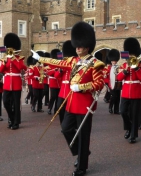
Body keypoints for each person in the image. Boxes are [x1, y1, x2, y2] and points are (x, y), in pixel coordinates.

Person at [32, 22, 104, 176]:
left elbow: (99, 84)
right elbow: (57, 62)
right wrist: (41, 59)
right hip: (71, 103)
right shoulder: (72, 61)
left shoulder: (96, 64)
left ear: (87, 46)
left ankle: (81, 167)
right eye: (76, 46)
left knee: (84, 136)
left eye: (80, 46)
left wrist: (82, 87)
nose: (77, 48)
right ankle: (81, 152)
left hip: (85, 105)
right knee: (66, 129)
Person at [116, 37, 141, 144]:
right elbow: (118, 78)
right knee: (123, 111)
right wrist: (125, 70)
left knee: (134, 114)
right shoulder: (124, 65)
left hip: (136, 92)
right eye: (130, 54)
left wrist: (136, 68)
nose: (131, 56)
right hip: (125, 92)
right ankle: (128, 128)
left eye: (133, 54)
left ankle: (133, 135)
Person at [0, 33, 27, 130]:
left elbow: (20, 68)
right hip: (7, 84)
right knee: (6, 102)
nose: (10, 50)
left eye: (12, 48)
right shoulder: (4, 59)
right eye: (9, 48)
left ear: (15, 49)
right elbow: (1, 70)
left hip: (16, 83)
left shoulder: (19, 58)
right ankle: (11, 118)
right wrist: (5, 61)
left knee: (16, 104)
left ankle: (16, 122)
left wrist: (14, 58)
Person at [54, 40, 77, 124]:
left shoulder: (75, 63)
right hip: (62, 91)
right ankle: (63, 124)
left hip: (71, 90)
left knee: (70, 110)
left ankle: (70, 125)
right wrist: (60, 70)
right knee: (60, 108)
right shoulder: (63, 63)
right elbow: (56, 76)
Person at [47, 49, 61, 115]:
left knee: (58, 97)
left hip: (59, 83)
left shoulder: (60, 63)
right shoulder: (50, 65)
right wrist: (54, 70)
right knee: (53, 96)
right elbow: (48, 73)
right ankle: (49, 108)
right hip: (53, 82)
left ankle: (56, 110)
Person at [107, 49, 122, 114]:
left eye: (115, 60)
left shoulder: (119, 67)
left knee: (118, 97)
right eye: (113, 60)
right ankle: (110, 107)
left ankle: (116, 110)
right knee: (113, 96)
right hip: (111, 84)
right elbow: (106, 76)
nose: (114, 62)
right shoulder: (108, 68)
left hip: (118, 84)